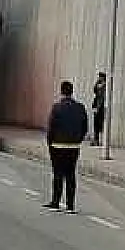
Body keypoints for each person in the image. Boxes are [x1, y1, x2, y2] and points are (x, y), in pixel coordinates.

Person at [44, 80, 88, 213]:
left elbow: (51, 128)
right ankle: (70, 205)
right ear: (72, 91)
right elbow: (85, 127)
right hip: (73, 146)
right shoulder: (80, 107)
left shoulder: (57, 107)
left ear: (61, 91)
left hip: (58, 145)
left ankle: (55, 201)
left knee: (57, 174)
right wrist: (78, 140)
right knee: (71, 174)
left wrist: (50, 143)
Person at [91, 72, 107, 146]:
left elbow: (102, 97)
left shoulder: (105, 86)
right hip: (97, 106)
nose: (99, 78)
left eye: (100, 77)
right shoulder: (99, 85)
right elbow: (94, 90)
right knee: (96, 124)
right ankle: (96, 140)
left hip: (101, 107)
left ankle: (99, 140)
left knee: (100, 124)